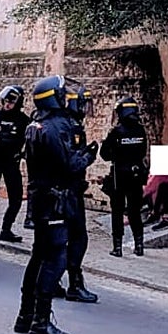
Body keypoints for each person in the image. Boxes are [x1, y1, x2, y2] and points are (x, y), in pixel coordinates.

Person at [14, 75, 97, 334]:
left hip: (41, 199)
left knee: (38, 255)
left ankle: (25, 315)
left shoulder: (35, 124)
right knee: (55, 258)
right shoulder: (58, 127)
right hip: (55, 200)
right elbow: (69, 165)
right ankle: (40, 320)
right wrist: (89, 155)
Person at [61, 83, 98, 303]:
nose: (86, 108)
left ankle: (53, 281)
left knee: (58, 238)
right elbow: (71, 163)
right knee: (77, 237)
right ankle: (74, 283)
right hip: (68, 191)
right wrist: (89, 156)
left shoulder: (61, 123)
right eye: (83, 103)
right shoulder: (71, 127)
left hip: (63, 190)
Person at [100, 95, 149, 257]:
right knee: (135, 211)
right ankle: (139, 245)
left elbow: (105, 155)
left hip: (119, 176)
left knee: (117, 212)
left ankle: (118, 247)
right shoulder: (141, 130)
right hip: (136, 175)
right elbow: (143, 152)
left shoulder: (116, 132)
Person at [0, 85, 30, 246]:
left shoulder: (23, 120)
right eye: (6, 101)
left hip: (11, 162)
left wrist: (0, 141)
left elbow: (20, 142)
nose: (7, 104)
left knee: (16, 198)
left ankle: (6, 229)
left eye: (11, 102)